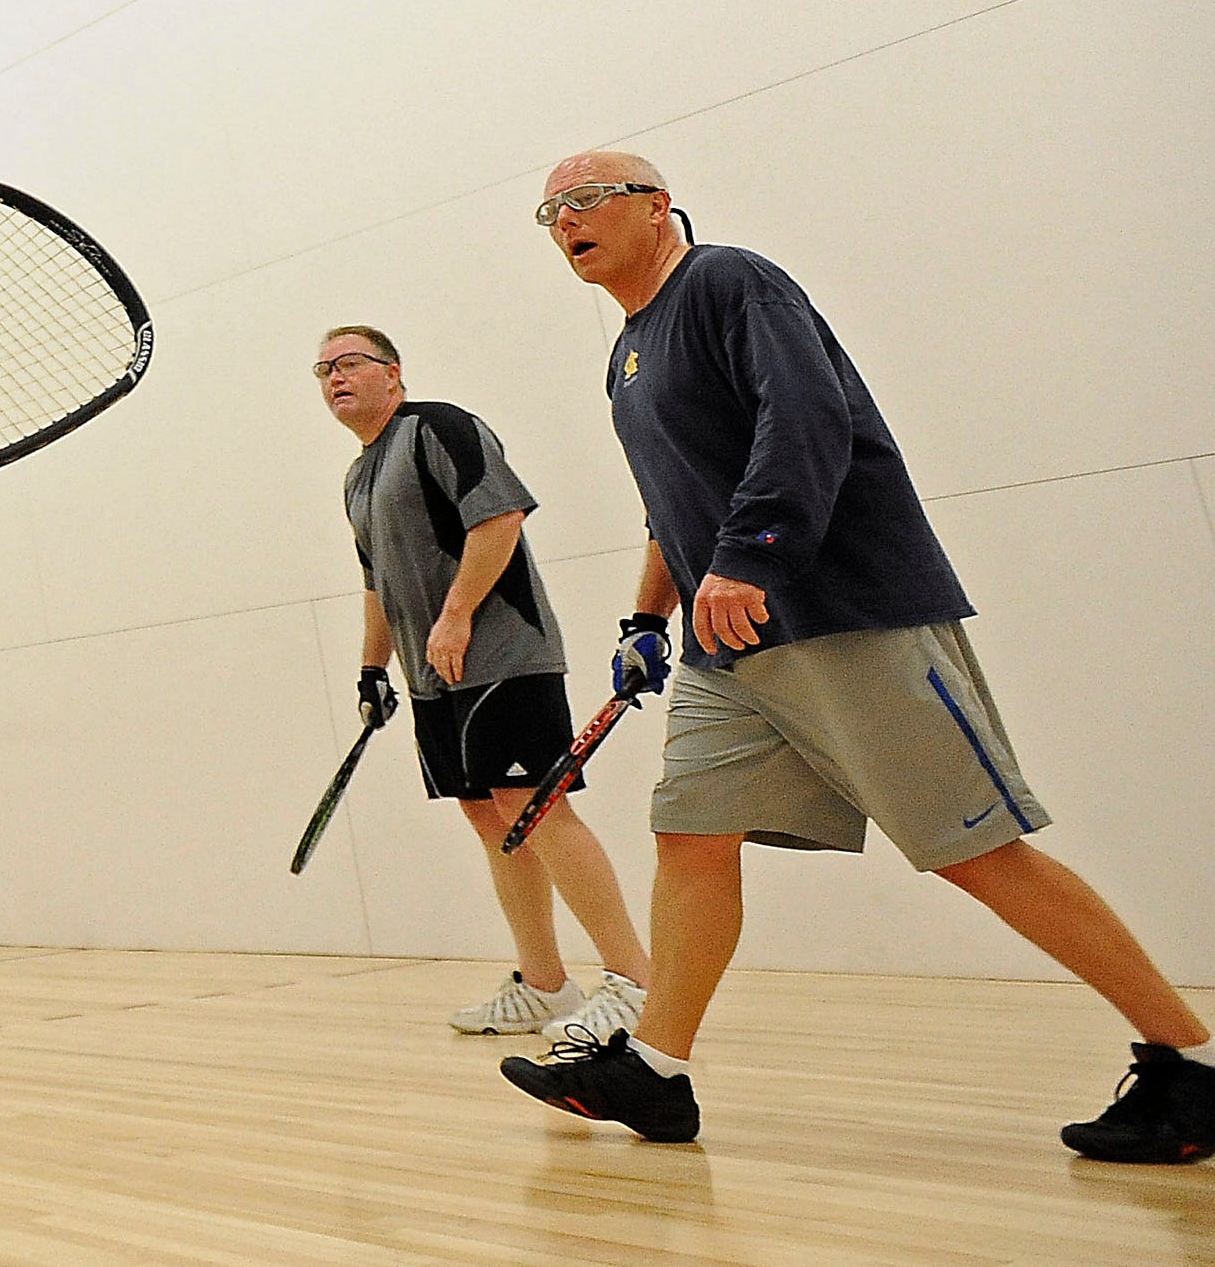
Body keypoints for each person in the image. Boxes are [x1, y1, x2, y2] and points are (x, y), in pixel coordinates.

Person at [499, 152, 1213, 1160]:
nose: (562, 220)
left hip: (836, 609)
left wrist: (748, 554)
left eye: (583, 199)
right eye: (547, 211)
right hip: (725, 645)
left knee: (973, 848)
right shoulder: (625, 352)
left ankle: (1189, 1058)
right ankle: (656, 1071)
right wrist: (645, 620)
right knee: (689, 834)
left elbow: (804, 418)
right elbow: (671, 505)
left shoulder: (726, 282)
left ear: (655, 206)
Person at [317, 326, 653, 1039]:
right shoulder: (357, 478)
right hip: (436, 676)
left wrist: (459, 614)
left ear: (393, 373)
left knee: (533, 804)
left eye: (349, 362)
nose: (334, 377)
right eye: (323, 369)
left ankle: (636, 981)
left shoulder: (438, 426)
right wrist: (374, 667)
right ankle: (544, 984)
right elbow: (377, 582)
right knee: (487, 815)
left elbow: (498, 517)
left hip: (504, 655)